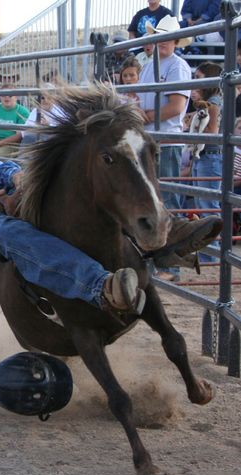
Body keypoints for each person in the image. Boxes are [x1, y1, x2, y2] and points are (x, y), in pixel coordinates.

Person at [0, 120, 221, 314]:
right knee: (11, 235)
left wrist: (15, 176)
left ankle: (167, 237)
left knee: (72, 190)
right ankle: (100, 287)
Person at [137, 15, 193, 281]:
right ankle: (156, 262)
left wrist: (143, 115)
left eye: (166, 38)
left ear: (175, 41)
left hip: (166, 139)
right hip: (152, 139)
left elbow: (176, 107)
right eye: (158, 37)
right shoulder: (151, 66)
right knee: (153, 199)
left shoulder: (177, 66)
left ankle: (170, 266)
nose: (161, 43)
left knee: (167, 199)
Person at [190, 61, 223, 262]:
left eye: (199, 79)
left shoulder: (214, 102)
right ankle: (208, 253)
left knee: (207, 205)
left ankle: (211, 255)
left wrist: (192, 129)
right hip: (204, 155)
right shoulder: (212, 101)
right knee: (204, 204)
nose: (195, 84)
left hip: (209, 155)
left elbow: (212, 131)